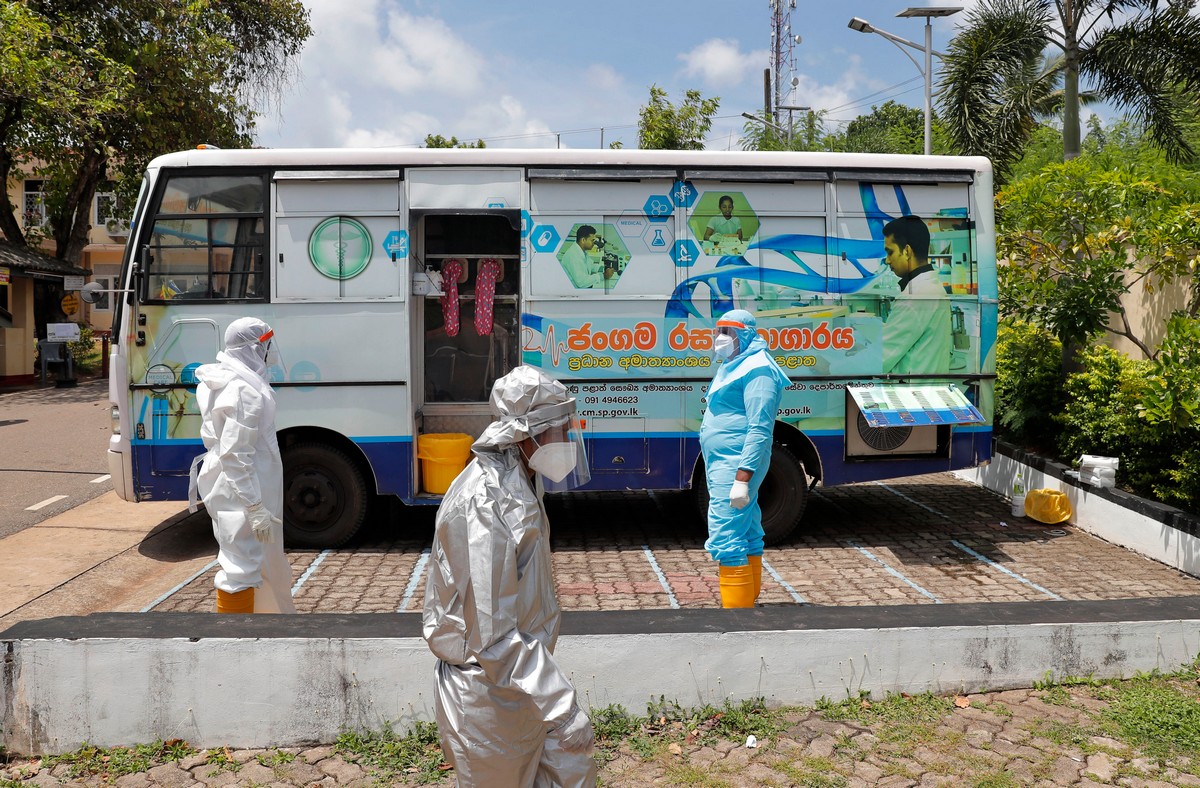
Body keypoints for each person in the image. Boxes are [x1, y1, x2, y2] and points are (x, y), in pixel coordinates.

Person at [423, 365, 597, 787]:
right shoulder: (485, 503)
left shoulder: (519, 480)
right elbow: (492, 633)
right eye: (559, 429)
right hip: (485, 693)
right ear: (527, 433)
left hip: (522, 681)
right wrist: (562, 706)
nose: (566, 441)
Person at [189, 317, 296, 614]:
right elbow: (236, 455)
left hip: (232, 482)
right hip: (243, 485)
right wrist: (253, 506)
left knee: (259, 561)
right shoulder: (244, 392)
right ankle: (235, 640)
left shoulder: (222, 379)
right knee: (241, 566)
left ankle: (264, 627)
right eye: (266, 345)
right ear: (252, 348)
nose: (270, 353)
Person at [700, 309, 789, 608]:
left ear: (746, 335)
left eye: (729, 333)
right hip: (725, 461)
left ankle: (736, 614)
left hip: (736, 464)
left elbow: (760, 427)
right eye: (719, 331)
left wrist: (743, 477)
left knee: (726, 532)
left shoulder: (759, 370)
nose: (721, 339)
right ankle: (747, 603)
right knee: (747, 528)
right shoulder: (735, 363)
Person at [880, 215, 951, 375]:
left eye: (890, 252)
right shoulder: (930, 287)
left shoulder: (915, 296)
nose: (887, 260)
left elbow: (881, 359)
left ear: (906, 251)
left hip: (913, 395)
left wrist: (831, 366)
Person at [560, 224, 614, 289]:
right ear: (583, 240)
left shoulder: (581, 250)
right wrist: (603, 276)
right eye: (592, 240)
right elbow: (581, 282)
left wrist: (604, 268)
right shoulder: (573, 256)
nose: (594, 243)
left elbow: (590, 265)